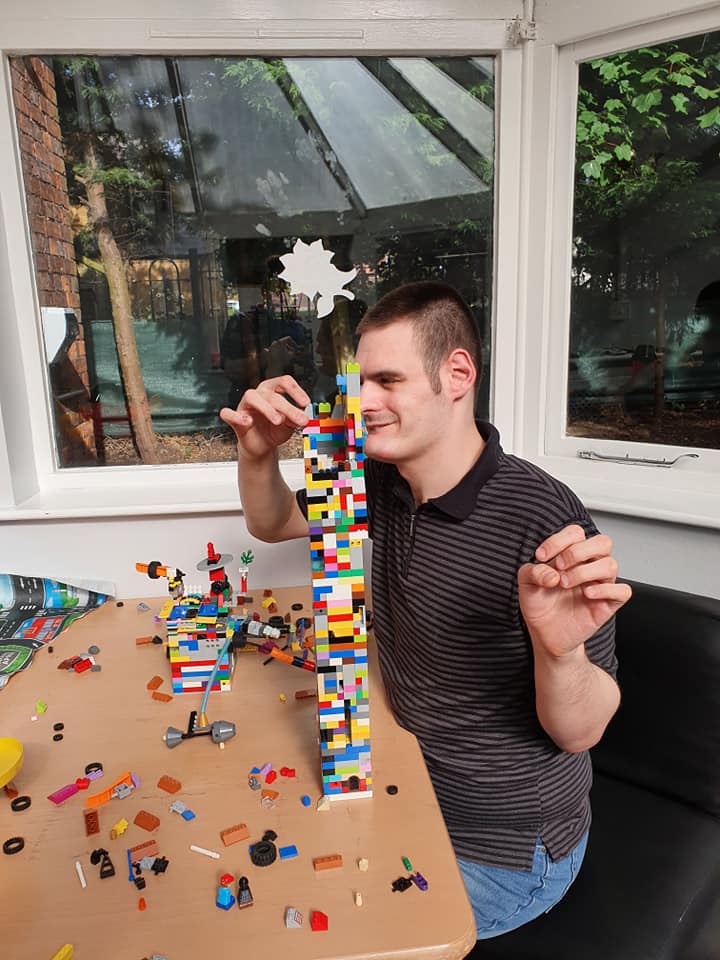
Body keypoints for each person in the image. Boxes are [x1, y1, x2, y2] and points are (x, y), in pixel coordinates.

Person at [220, 280, 631, 944]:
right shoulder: (381, 474)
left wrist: (560, 653)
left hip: (504, 848)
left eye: (388, 380)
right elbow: (274, 522)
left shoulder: (545, 522)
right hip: (406, 774)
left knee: (310, 937)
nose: (364, 401)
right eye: (360, 381)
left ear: (457, 375)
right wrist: (257, 453)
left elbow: (581, 731)